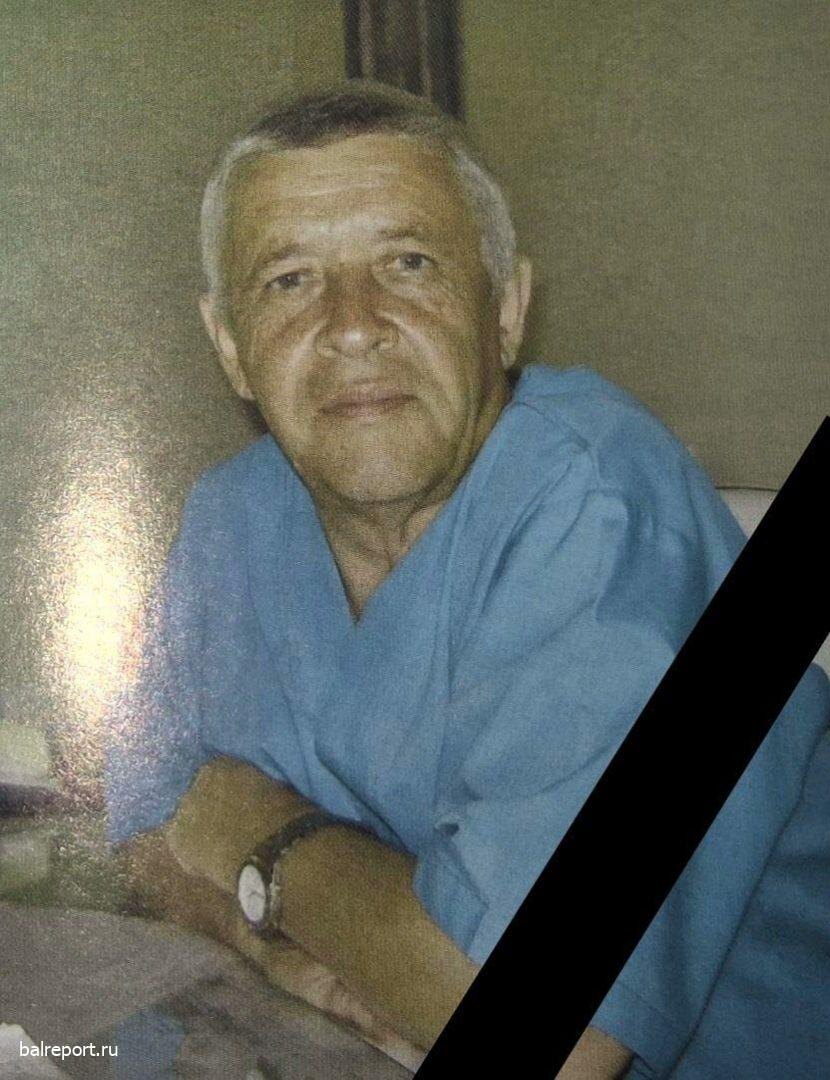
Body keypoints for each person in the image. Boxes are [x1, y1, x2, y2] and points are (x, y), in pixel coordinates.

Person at [106, 82, 829, 1078]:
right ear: (229, 346)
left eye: (407, 264)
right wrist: (267, 943)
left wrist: (257, 833)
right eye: (289, 280)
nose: (352, 325)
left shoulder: (599, 504)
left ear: (507, 310)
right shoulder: (231, 518)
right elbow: (141, 828)